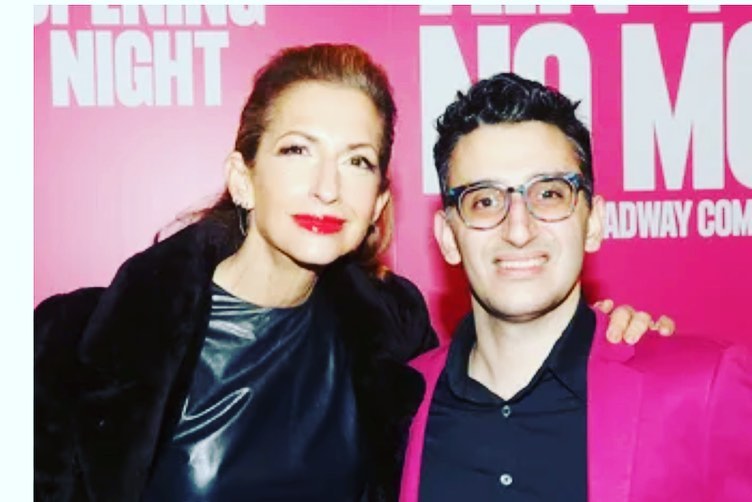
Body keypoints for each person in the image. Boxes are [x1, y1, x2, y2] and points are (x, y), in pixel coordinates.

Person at [35, 44, 669, 502]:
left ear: (378, 202)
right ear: (242, 178)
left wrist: (602, 339)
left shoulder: (393, 334)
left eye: (358, 161)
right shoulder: (72, 342)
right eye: (297, 149)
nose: (327, 187)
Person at [400, 72, 752, 502]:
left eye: (549, 194)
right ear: (448, 237)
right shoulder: (398, 406)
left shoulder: (702, 389)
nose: (519, 229)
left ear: (594, 223)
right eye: (485, 200)